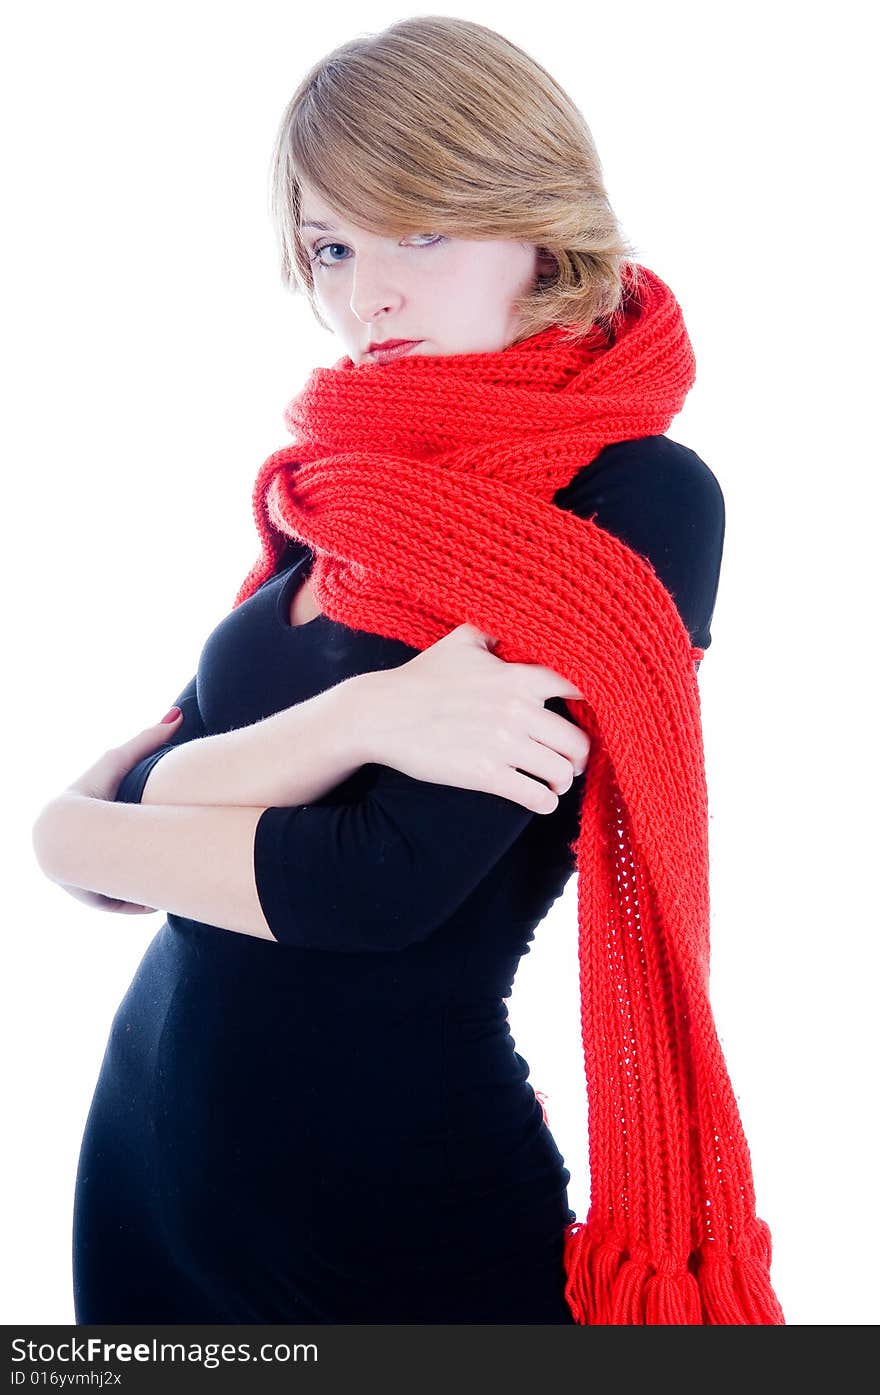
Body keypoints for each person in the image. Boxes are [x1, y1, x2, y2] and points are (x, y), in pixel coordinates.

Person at [35, 18, 730, 1323]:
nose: (370, 296)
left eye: (420, 231)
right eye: (333, 248)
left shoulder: (634, 495)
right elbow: (86, 822)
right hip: (141, 1168)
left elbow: (376, 890)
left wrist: (100, 828)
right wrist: (365, 718)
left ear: (536, 218)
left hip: (389, 1213)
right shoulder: (337, 493)